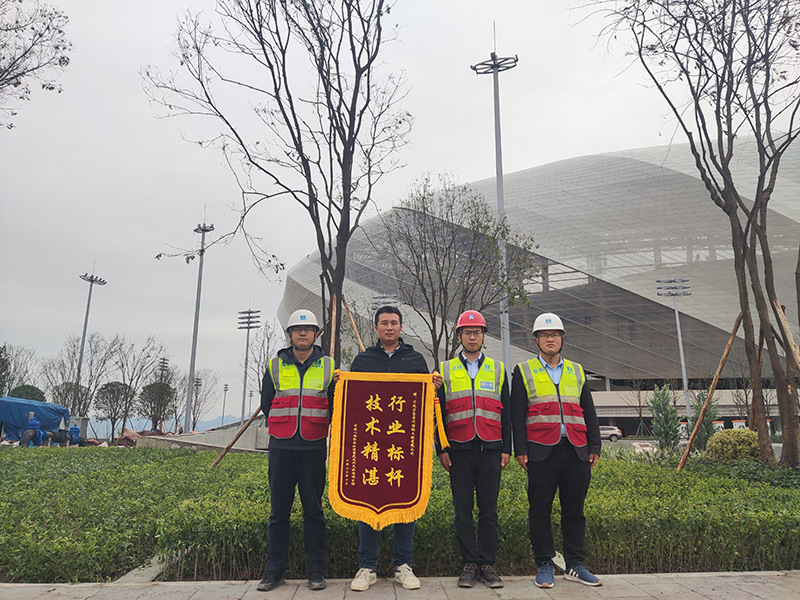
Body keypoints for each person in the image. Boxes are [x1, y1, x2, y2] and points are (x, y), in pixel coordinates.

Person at [348, 305, 442, 592]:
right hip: (371, 445)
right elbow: (352, 403)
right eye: (384, 323)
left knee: (405, 503)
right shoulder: (363, 360)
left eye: (394, 323)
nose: (389, 327)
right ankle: (367, 567)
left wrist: (434, 386)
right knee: (368, 503)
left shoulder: (415, 360)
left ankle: (403, 565)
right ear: (376, 327)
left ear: (401, 327)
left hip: (405, 447)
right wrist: (341, 385)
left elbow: (425, 404)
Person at [511, 312, 602, 588]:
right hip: (541, 452)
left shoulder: (576, 370)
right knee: (540, 511)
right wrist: (520, 449)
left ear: (562, 339)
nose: (550, 339)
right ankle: (544, 563)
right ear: (536, 340)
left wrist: (595, 445)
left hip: (576, 450)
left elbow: (588, 410)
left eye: (555, 335)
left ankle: (575, 564)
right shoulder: (524, 370)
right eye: (544, 335)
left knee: (575, 511)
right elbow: (517, 414)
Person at [257, 309, 335, 593]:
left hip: (313, 446)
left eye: (309, 330)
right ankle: (274, 571)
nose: (303, 334)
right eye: (298, 330)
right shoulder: (275, 365)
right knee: (279, 513)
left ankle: (315, 571)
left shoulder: (329, 366)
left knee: (313, 512)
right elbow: (267, 403)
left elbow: (335, 405)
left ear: (316, 334)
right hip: (281, 445)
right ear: (289, 334)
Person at [436, 310, 511, 589]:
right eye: (467, 332)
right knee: (462, 510)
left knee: (489, 510)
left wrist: (506, 447)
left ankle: (488, 564)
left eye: (476, 332)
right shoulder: (444, 370)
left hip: (491, 448)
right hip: (458, 449)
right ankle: (469, 564)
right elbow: (437, 413)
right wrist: (441, 448)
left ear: (483, 335)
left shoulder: (498, 369)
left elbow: (507, 412)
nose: (472, 336)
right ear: (459, 336)